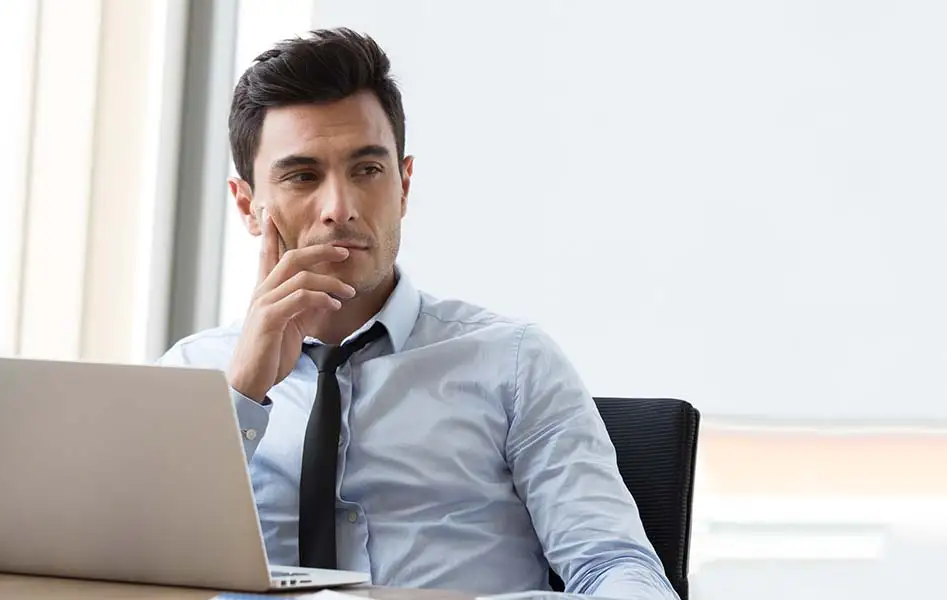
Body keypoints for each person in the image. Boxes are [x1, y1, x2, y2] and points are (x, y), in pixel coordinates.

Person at [159, 27, 677, 600]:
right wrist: (242, 395)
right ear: (247, 206)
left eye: (367, 170)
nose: (340, 208)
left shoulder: (513, 363)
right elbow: (136, 567)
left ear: (403, 186)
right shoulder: (190, 374)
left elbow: (617, 570)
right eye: (303, 176)